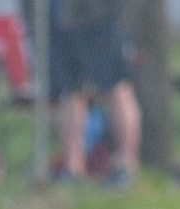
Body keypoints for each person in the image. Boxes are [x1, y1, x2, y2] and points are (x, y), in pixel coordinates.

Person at [24, 0, 142, 188]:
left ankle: (124, 166)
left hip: (97, 15)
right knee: (69, 91)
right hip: (57, 16)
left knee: (115, 85)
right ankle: (73, 168)